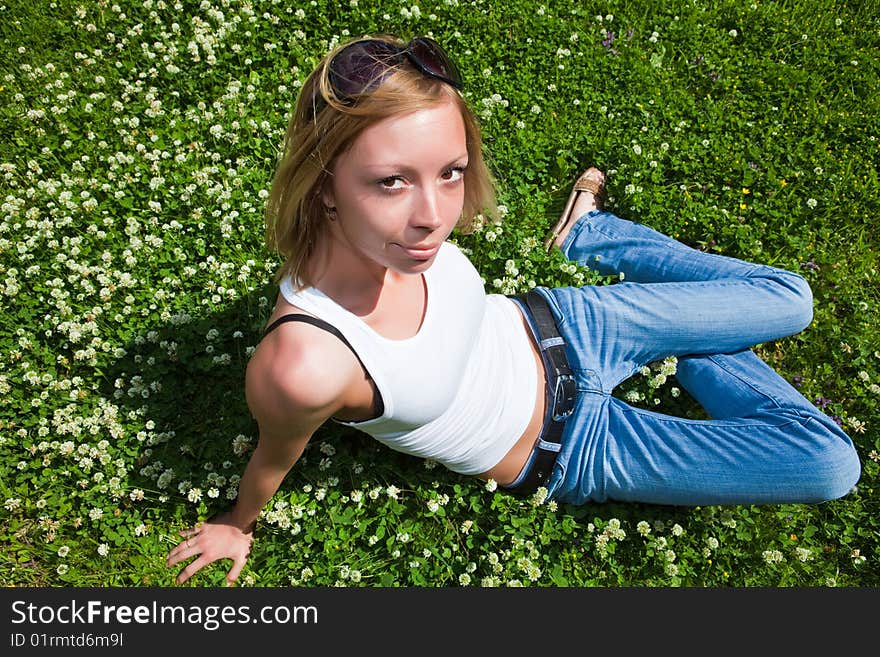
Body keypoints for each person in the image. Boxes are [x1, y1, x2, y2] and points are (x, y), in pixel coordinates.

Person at [166, 34, 861, 585]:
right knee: (830, 463)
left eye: (451, 171)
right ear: (324, 185)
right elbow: (273, 451)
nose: (433, 217)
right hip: (575, 445)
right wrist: (238, 520)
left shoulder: (402, 231)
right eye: (390, 182)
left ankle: (591, 235)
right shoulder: (305, 361)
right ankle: (694, 337)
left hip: (568, 324)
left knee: (791, 298)